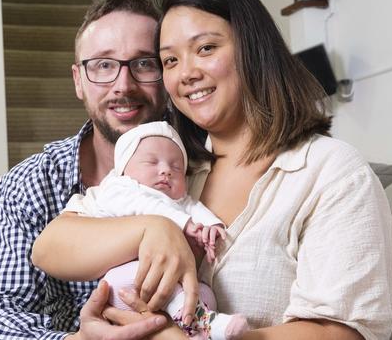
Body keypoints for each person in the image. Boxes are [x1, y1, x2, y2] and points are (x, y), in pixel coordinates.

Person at [33, 0, 392, 340]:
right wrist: (151, 228)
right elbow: (51, 245)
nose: (187, 73)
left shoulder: (328, 171)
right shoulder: (174, 169)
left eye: (205, 48)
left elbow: (344, 333)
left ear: (254, 49)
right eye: (170, 60)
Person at [0, 0, 173, 339]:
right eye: (103, 65)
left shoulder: (203, 165)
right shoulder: (30, 185)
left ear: (166, 73)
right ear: (78, 80)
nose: (123, 85)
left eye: (144, 63)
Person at [54, 120, 248, 340]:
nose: (166, 170)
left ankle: (193, 331)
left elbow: (193, 206)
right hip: (122, 283)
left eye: (176, 167)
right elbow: (148, 208)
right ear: (124, 168)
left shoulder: (177, 201)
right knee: (149, 275)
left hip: (162, 284)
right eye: (151, 162)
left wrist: (212, 225)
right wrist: (185, 224)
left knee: (204, 292)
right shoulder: (119, 188)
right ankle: (200, 321)